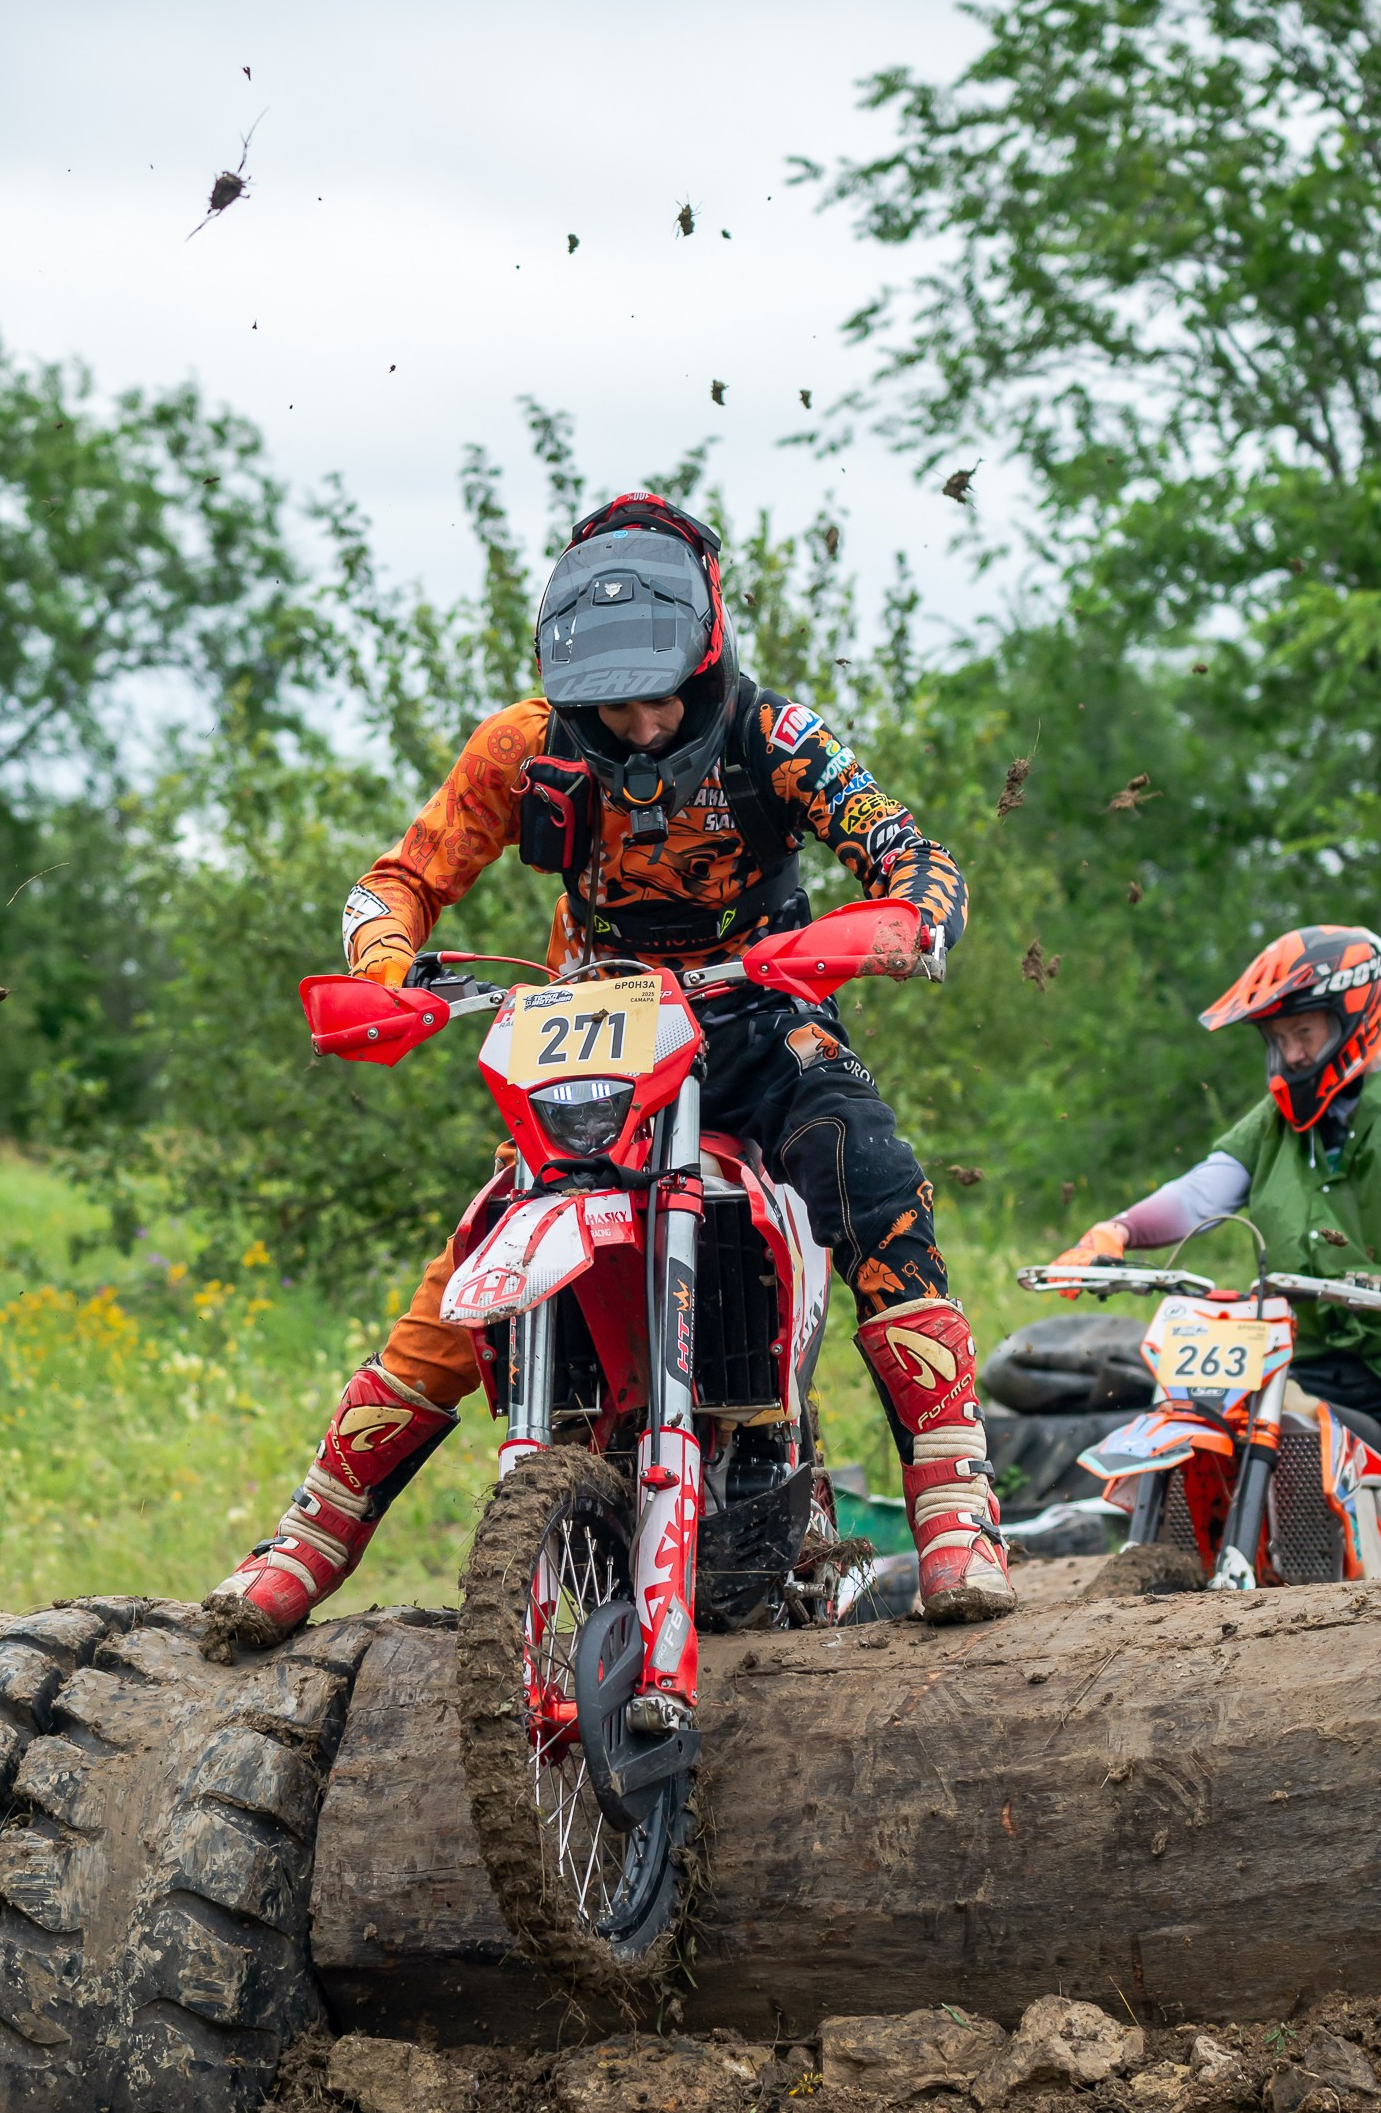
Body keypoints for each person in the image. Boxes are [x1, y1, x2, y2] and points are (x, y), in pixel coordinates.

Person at [205, 489, 1015, 1648]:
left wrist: (888, 928)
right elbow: (397, 881)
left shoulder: (777, 739)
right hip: (597, 1027)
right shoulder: (521, 746)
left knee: (865, 1168)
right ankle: (310, 1536)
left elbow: (916, 856)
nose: (638, 723)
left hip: (756, 1011)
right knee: (484, 1245)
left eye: (658, 695)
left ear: (708, 649)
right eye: (611, 703)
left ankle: (952, 1505)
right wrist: (385, 966)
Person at [1047, 923, 1381, 1577]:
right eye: (1279, 1039)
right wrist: (1115, 1232)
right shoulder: (1275, 1123)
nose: (1291, 1054)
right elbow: (1204, 1190)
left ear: (1354, 1019)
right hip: (1302, 1359)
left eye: (1304, 1034)